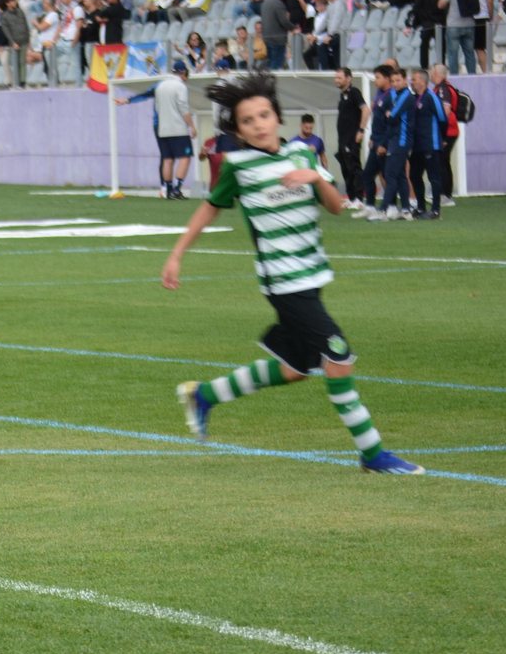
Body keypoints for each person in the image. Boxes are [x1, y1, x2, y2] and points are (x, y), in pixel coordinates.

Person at [166, 72, 424, 476]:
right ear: (238, 130)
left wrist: (316, 177)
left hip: (312, 277)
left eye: (264, 115)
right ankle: (373, 453)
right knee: (337, 358)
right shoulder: (237, 166)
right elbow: (209, 208)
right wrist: (177, 255)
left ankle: (204, 395)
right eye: (248, 121)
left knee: (295, 369)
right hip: (284, 284)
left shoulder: (303, 155)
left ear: (277, 118)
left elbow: (337, 206)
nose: (258, 124)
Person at [117, 61, 196, 199]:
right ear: (183, 73)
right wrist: (192, 126)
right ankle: (177, 189)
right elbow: (183, 108)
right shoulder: (180, 87)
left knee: (167, 159)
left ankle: (168, 190)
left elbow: (145, 94)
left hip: (160, 127)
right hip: (178, 128)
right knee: (185, 157)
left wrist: (126, 100)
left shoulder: (160, 84)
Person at [396, 67, 448, 219]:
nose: (411, 82)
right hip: (416, 145)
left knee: (434, 177)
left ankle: (436, 211)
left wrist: (442, 138)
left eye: (413, 79)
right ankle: (420, 207)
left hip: (431, 144)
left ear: (422, 81)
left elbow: (442, 118)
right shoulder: (413, 99)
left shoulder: (431, 97)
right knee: (414, 175)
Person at [355, 65, 399, 218]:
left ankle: (392, 207)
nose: (375, 80)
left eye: (378, 77)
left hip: (384, 144)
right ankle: (370, 206)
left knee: (388, 176)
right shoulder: (380, 94)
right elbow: (378, 120)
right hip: (377, 141)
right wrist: (373, 138)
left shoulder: (392, 95)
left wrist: (384, 144)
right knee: (367, 175)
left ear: (387, 79)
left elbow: (391, 123)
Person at [333, 66, 369, 207]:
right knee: (345, 168)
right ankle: (352, 197)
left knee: (354, 167)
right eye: (336, 78)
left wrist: (361, 130)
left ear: (349, 78)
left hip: (351, 138)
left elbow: (366, 110)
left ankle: (359, 198)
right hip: (342, 139)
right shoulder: (343, 95)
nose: (337, 80)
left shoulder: (354, 92)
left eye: (339, 78)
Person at [427, 63, 460, 205]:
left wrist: (442, 134)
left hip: (447, 131)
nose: (429, 75)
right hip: (448, 130)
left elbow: (445, 111)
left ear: (435, 74)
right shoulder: (443, 88)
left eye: (430, 72)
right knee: (443, 162)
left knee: (441, 162)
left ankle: (445, 195)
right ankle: (444, 194)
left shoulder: (443, 89)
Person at [438, 0, 479, 72]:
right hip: (470, 25)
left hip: (454, 26)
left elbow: (440, 5)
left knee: (453, 54)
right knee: (470, 53)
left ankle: (454, 78)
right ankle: (472, 75)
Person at [0, 0, 30, 88]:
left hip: (23, 40)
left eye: (15, 1)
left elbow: (25, 25)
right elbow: (6, 31)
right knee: (16, 62)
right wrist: (12, 42)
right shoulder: (5, 16)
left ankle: (23, 82)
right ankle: (16, 81)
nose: (14, 3)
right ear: (7, 4)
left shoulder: (20, 12)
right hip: (14, 42)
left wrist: (28, 39)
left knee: (22, 62)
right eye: (12, 1)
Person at [261, 0, 293, 68]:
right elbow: (284, 21)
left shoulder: (265, 3)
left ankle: (267, 79)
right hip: (277, 39)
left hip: (267, 37)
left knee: (270, 61)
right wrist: (293, 28)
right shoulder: (278, 4)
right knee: (277, 63)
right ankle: (273, 80)